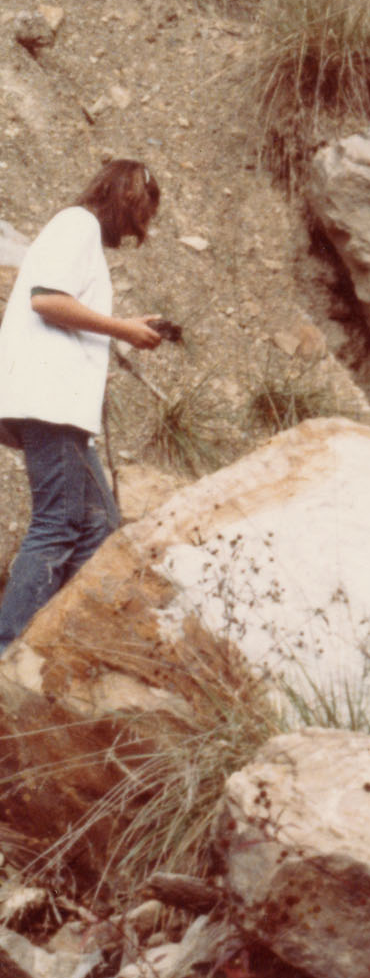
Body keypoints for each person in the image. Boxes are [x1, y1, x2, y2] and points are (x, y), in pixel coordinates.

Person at [0, 162, 164, 651]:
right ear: (127, 198)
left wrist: (117, 334)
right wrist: (123, 329)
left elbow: (58, 310)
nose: (136, 232)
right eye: (140, 217)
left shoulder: (80, 232)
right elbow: (47, 301)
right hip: (50, 403)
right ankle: (9, 652)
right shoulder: (78, 224)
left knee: (99, 526)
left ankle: (56, 646)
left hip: (56, 402)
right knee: (59, 522)